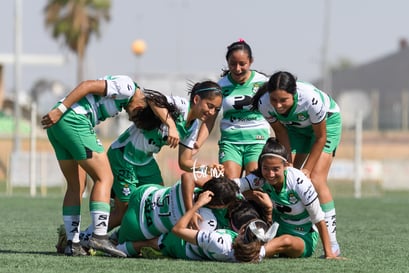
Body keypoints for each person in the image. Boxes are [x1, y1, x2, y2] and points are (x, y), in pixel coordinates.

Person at [41, 75, 179, 257]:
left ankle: (72, 244)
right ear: (140, 105)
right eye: (136, 116)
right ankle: (99, 236)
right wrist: (60, 109)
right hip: (74, 120)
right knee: (104, 178)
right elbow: (87, 85)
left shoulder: (126, 99)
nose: (132, 118)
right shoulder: (128, 87)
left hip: (59, 126)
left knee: (77, 186)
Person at [79, 80, 223, 241]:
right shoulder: (181, 105)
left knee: (157, 204)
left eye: (215, 109)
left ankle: (116, 239)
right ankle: (84, 238)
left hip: (146, 162)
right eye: (209, 106)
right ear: (196, 100)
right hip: (124, 156)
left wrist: (206, 168)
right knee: (124, 212)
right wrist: (172, 126)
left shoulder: (193, 127)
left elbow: (184, 162)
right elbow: (152, 99)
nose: (211, 112)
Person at [251, 71, 342, 255]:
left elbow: (320, 137)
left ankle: (332, 245)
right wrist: (288, 165)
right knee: (288, 176)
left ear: (293, 94)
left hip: (326, 126)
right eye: (274, 100)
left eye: (283, 100)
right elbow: (282, 133)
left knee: (315, 179)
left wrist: (307, 170)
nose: (278, 105)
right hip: (294, 128)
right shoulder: (265, 103)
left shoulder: (309, 99)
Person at [233, 137, 342, 262]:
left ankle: (252, 255)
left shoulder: (299, 182)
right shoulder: (260, 178)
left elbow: (319, 219)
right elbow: (234, 185)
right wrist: (211, 176)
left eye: (275, 169)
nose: (270, 174)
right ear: (261, 165)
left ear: (285, 166)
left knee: (286, 240)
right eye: (266, 168)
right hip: (276, 228)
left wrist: (329, 253)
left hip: (303, 236)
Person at [115, 190, 273, 260]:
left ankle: (117, 249)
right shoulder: (255, 254)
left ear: (243, 230)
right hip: (199, 243)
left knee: (154, 242)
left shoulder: (221, 243)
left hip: (183, 246)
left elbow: (178, 229)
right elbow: (288, 241)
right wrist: (269, 211)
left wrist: (198, 204)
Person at [114, 176, 240, 257]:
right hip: (139, 224)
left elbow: (187, 175)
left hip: (144, 193)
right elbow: (183, 234)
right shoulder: (205, 219)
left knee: (116, 216)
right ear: (218, 205)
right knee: (117, 248)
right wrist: (193, 209)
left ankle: (102, 231)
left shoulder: (194, 187)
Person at [217, 39, 270, 179]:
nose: (237, 68)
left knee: (255, 184)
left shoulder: (264, 82)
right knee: (230, 185)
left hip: (257, 141)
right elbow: (209, 119)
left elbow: (276, 113)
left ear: (251, 61)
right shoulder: (220, 85)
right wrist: (197, 143)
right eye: (232, 64)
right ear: (227, 62)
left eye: (242, 64)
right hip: (230, 142)